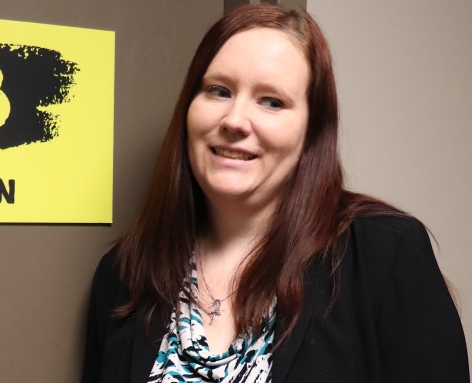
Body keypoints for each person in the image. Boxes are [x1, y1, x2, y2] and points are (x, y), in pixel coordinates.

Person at [82, 4, 468, 383]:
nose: (235, 120)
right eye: (219, 91)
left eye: (272, 101)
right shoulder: (124, 275)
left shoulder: (384, 254)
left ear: (312, 131)